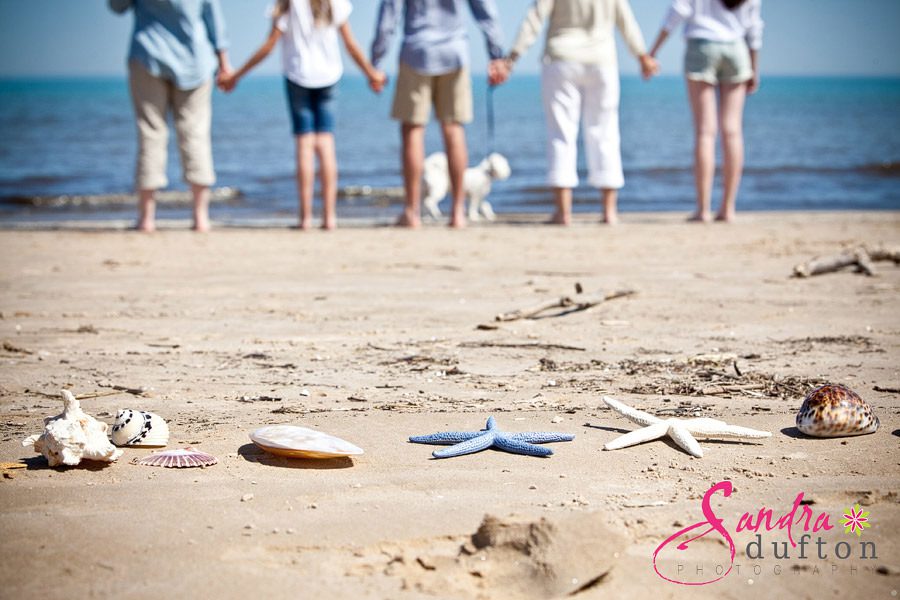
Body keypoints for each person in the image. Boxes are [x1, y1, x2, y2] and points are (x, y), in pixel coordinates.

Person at [218, 0, 386, 230]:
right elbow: (350, 44)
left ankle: (305, 217)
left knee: (305, 144)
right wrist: (371, 74)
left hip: (298, 76)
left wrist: (237, 74)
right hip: (328, 76)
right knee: (325, 142)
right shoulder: (334, 3)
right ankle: (329, 217)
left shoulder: (288, 3)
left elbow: (269, 45)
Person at [505, 0, 658, 226]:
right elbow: (626, 21)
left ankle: (563, 213)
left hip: (561, 57)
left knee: (561, 134)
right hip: (602, 60)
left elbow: (534, 18)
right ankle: (609, 212)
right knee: (605, 133)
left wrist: (512, 57)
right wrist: (642, 56)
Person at [371, 0, 508, 229]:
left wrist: (376, 58)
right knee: (454, 128)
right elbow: (485, 9)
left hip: (417, 51)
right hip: (454, 51)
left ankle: (412, 212)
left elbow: (389, 15)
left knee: (413, 130)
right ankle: (457, 212)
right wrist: (496, 53)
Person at [109, 0, 232, 232]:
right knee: (195, 134)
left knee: (151, 134)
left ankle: (147, 218)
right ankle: (200, 216)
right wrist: (224, 62)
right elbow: (213, 17)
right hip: (194, 59)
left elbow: (117, 7)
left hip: (148, 53)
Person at [648, 0, 763, 223]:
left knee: (705, 132)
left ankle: (703, 209)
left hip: (702, 45)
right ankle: (728, 209)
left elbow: (677, 11)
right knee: (732, 131)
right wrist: (753, 68)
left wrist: (653, 52)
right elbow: (754, 27)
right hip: (737, 48)